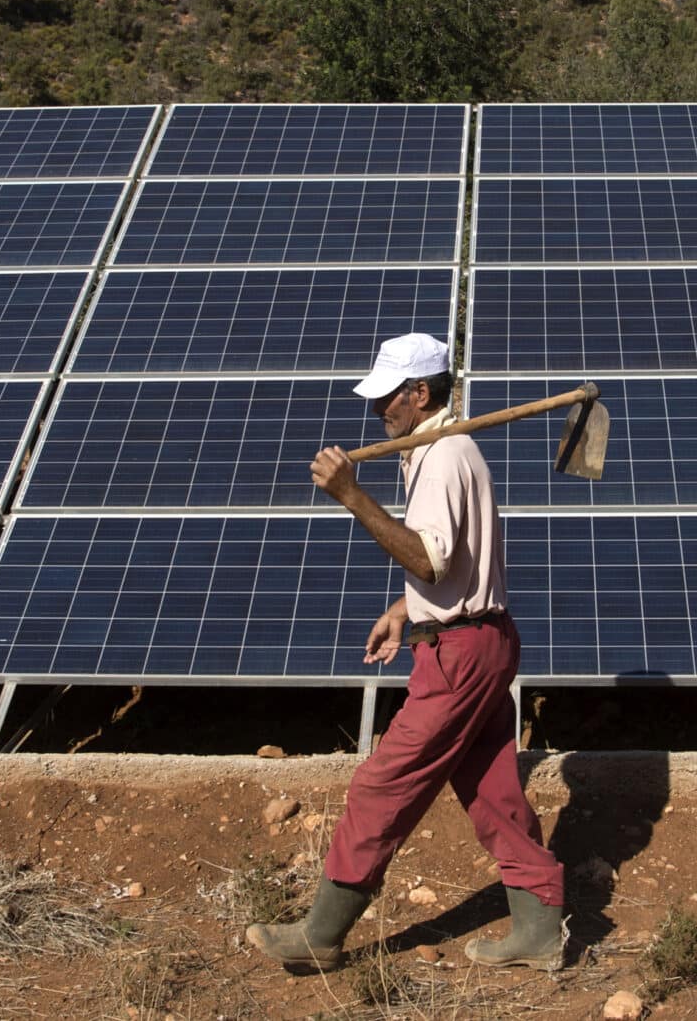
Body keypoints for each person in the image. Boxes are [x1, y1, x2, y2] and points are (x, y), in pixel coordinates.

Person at [245, 332, 567, 973]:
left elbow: (428, 556)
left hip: (460, 655)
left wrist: (351, 496)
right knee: (492, 786)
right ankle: (539, 926)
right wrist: (405, 614)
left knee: (380, 786)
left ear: (420, 393)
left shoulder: (445, 457)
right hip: (477, 638)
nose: (377, 411)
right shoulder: (435, 450)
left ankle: (322, 935)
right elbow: (456, 566)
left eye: (387, 397)